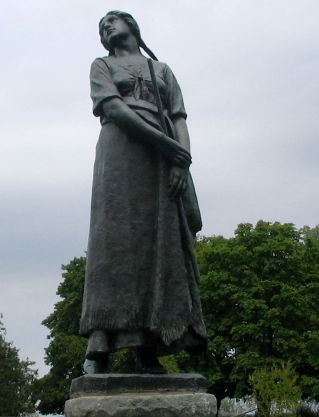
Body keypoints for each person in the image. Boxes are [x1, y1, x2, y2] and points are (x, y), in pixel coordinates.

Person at [81, 11, 206, 374]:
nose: (105, 27)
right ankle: (98, 345)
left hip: (162, 159)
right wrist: (169, 148)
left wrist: (180, 162)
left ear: (132, 26)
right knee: (113, 244)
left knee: (158, 244)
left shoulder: (162, 70)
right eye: (101, 26)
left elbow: (179, 116)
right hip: (120, 154)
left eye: (112, 21)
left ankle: (148, 346)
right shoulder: (101, 66)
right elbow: (114, 109)